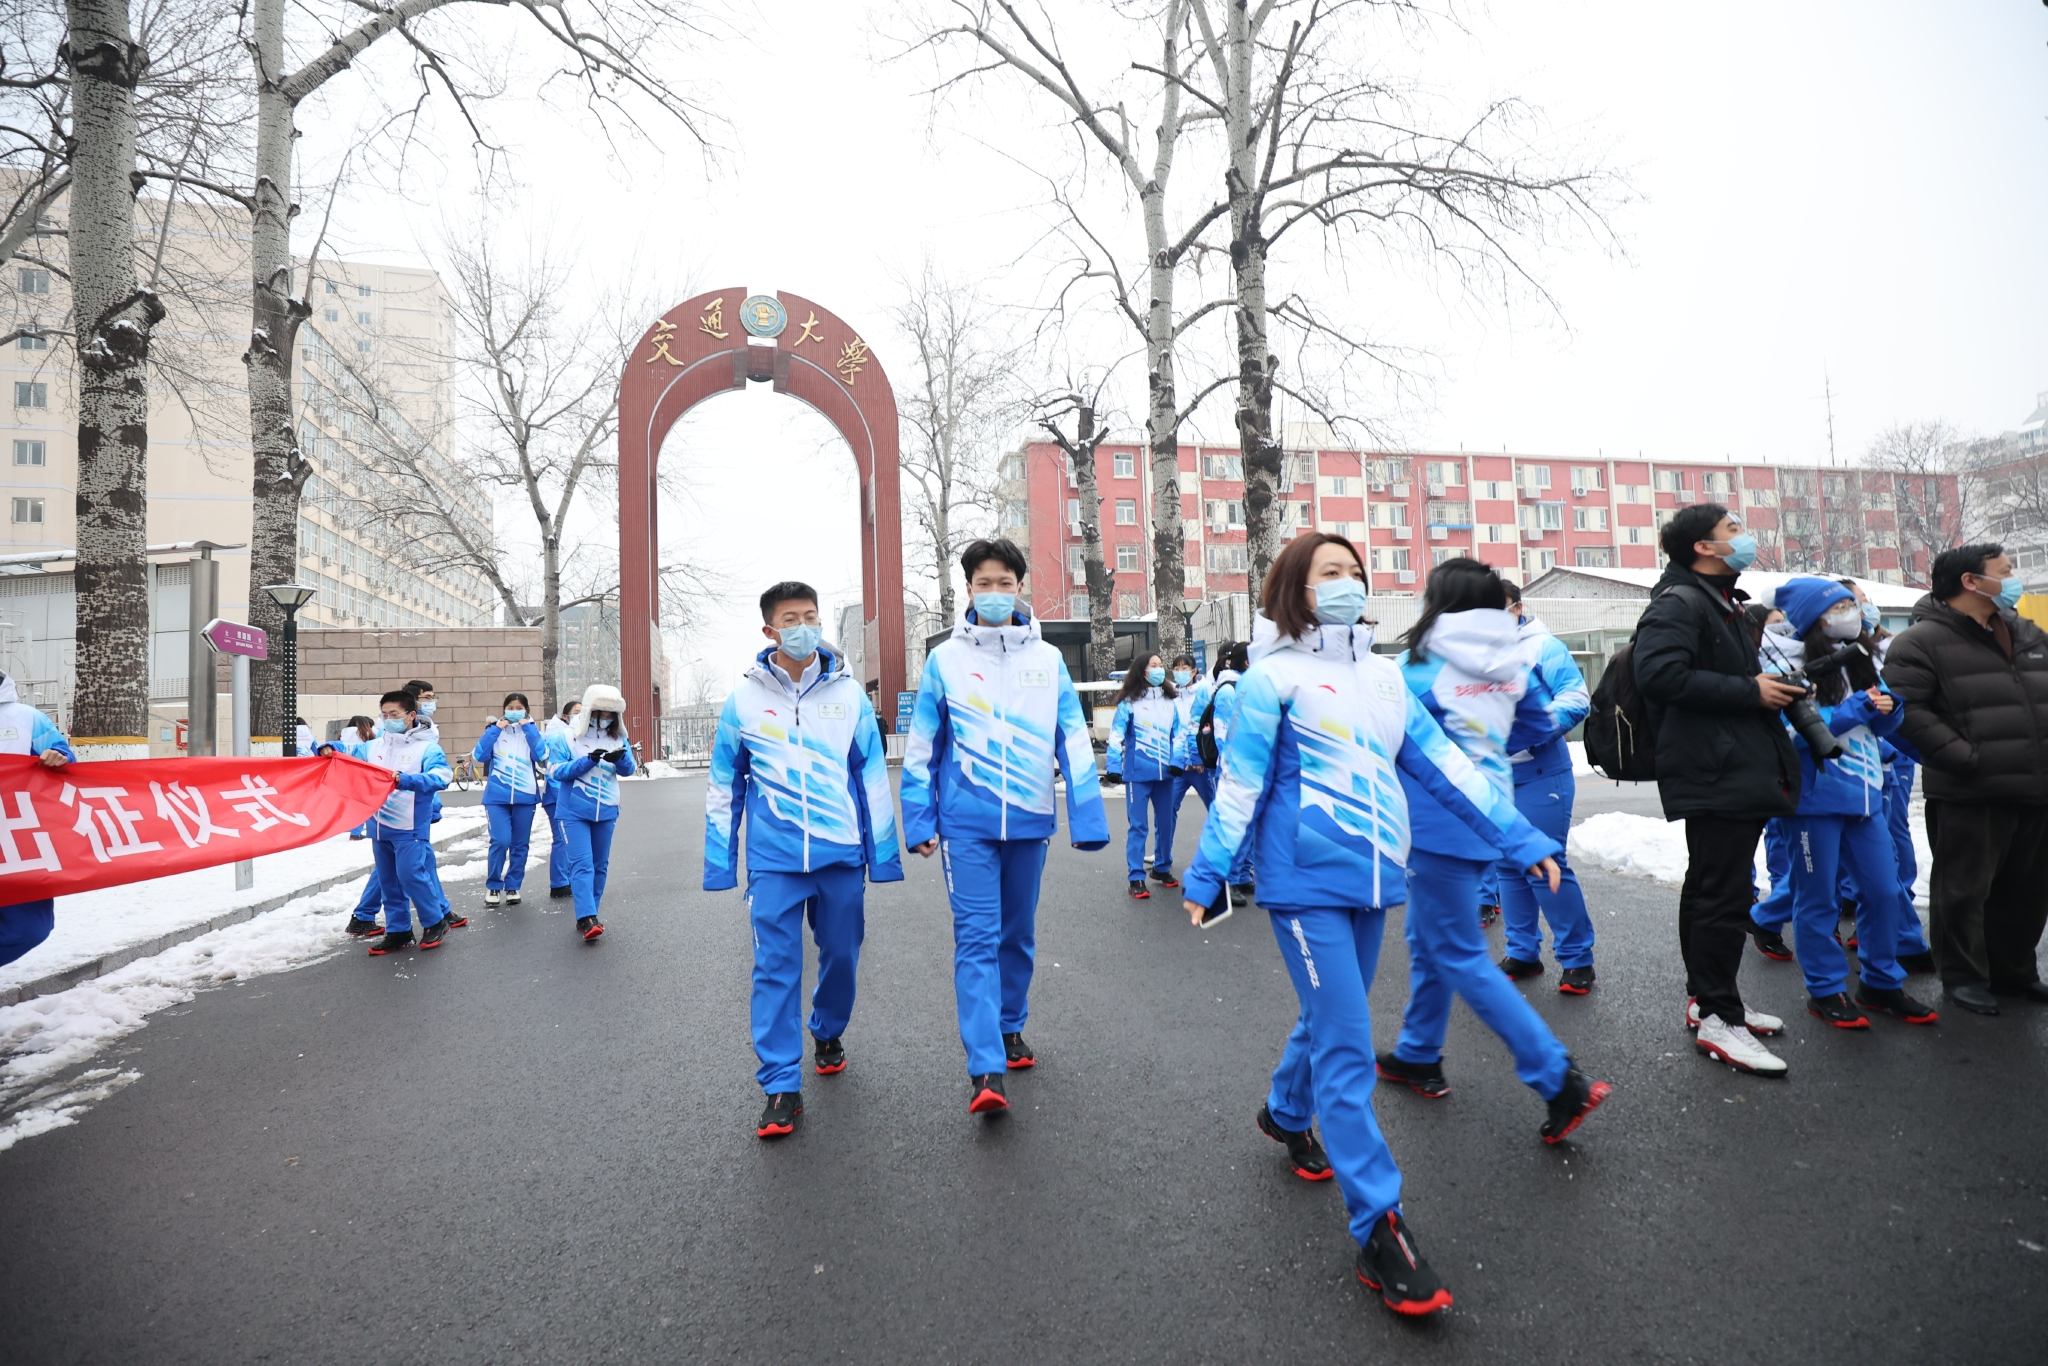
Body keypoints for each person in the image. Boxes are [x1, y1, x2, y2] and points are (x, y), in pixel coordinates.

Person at [1176, 534, 1567, 1319]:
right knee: (1349, 1047)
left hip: (1376, 881)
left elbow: (1446, 769)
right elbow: (1240, 784)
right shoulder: (1271, 680)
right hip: (1304, 885)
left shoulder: (1388, 678)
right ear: (1295, 587)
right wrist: (1208, 872)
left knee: (1332, 1016)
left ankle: (1286, 1113)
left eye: (1355, 571)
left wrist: (1522, 842)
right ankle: (1380, 1227)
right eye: (1330, 573)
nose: (1349, 583)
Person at [1378, 559, 1613, 1131]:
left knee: (1457, 950)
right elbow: (1537, 726)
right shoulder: (1511, 662)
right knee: (1429, 938)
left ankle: (1556, 1076)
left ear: (1437, 602)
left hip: (1437, 823)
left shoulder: (1416, 667)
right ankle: (1417, 1052)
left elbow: (1385, 737)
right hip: (1492, 810)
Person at [901, 537, 1108, 1115]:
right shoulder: (944, 660)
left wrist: (1086, 816)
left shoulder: (1049, 662)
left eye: (1005, 582)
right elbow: (922, 749)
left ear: (1021, 588)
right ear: (969, 589)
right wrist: (918, 819)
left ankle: (1011, 1025)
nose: (994, 593)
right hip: (963, 825)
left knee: (1017, 933)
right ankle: (985, 1067)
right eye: (983, 583)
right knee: (976, 938)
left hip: (1028, 821)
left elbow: (1072, 737)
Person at [705, 581, 903, 1139]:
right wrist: (721, 862)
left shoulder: (848, 694)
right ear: (769, 630)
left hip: (840, 855)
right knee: (775, 967)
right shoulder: (743, 700)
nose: (802, 626)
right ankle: (780, 1085)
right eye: (790, 618)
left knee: (841, 955)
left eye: (810, 616)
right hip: (774, 861)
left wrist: (881, 852)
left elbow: (869, 776)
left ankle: (827, 1027)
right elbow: (725, 784)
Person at [1632, 504, 1800, 1075]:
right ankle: (1718, 1019)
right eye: (1732, 530)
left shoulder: (1719, 602)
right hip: (1713, 771)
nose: (1745, 538)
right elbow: (1657, 674)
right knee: (1720, 895)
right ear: (1703, 547)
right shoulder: (1679, 602)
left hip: (1729, 768)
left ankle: (1714, 1001)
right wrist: (1748, 691)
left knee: (1716, 890)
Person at [1882, 543, 2048, 1016]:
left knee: (2027, 890)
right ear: (1971, 582)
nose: (2014, 579)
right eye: (2006, 571)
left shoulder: (2025, 631)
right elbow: (1906, 712)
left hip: (2035, 785)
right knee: (1964, 891)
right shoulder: (1920, 642)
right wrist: (1964, 757)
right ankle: (1963, 977)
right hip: (1969, 789)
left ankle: (2014, 972)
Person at [1766, 578, 1935, 1027]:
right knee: (1817, 899)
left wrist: (1889, 711)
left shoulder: (1860, 661)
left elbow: (1874, 730)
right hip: (1812, 803)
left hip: (1866, 799)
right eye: (1841, 605)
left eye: (1853, 603)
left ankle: (1881, 982)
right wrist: (1849, 713)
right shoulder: (1786, 666)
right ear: (1814, 618)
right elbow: (1783, 737)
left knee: (1883, 892)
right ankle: (1825, 990)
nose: (1854, 610)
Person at [1494, 578, 1598, 990]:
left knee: (1542, 863)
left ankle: (1577, 957)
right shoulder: (1475, 653)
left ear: (1517, 608)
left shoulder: (1543, 647)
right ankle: (1522, 952)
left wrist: (1520, 734)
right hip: (1497, 776)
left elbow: (1576, 698)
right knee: (1506, 863)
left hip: (1540, 771)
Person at [363, 690, 458, 955]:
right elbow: (348, 753)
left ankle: (434, 922)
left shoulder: (426, 747)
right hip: (379, 826)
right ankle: (399, 931)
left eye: (394, 714)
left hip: (410, 824)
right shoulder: (375, 745)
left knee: (410, 874)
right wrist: (329, 748)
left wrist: (406, 780)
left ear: (411, 715)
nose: (388, 719)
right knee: (388, 879)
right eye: (384, 714)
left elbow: (442, 776)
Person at [545, 684, 638, 941]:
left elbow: (629, 770)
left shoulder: (618, 737)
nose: (605, 717)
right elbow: (555, 771)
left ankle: (591, 912)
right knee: (582, 864)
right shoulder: (566, 737)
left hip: (607, 809)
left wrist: (620, 759)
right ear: (589, 710)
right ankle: (587, 917)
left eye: (610, 713)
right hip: (574, 810)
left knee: (600, 865)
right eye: (601, 712)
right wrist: (588, 761)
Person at [0, 671, 72, 967]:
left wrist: (58, 755)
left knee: (31, 929)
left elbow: (65, 758)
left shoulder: (26, 718)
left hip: (17, 843)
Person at [1105, 652, 1185, 898]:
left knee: (1166, 823)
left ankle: (1161, 868)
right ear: (1142, 671)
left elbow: (1179, 735)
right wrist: (1114, 767)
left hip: (1166, 776)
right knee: (1138, 826)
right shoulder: (1129, 702)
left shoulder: (1171, 701)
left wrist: (1177, 761)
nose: (1160, 669)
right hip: (1137, 775)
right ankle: (1136, 877)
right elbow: (1116, 736)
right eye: (1154, 665)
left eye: (1161, 665)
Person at [473, 692, 546, 907]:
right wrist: (496, 728)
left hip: (525, 797)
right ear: (504, 709)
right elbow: (480, 755)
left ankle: (513, 885)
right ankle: (493, 885)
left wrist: (529, 727)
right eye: (510, 707)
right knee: (500, 841)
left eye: (519, 708)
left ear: (526, 710)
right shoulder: (495, 732)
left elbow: (541, 755)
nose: (514, 711)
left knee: (520, 844)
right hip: (497, 797)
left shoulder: (531, 732)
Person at [1203, 642, 1257, 907]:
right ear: (1247, 662)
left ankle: (1243, 874)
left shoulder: (1248, 687)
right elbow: (1223, 732)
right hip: (1234, 769)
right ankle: (1229, 880)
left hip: (1252, 766)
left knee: (1251, 827)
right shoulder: (1228, 690)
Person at [541, 700, 580, 899]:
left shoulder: (574, 735)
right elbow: (554, 770)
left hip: (569, 795)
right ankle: (559, 882)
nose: (580, 716)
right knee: (561, 838)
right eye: (576, 712)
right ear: (566, 716)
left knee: (568, 839)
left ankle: (566, 879)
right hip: (556, 794)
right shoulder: (556, 736)